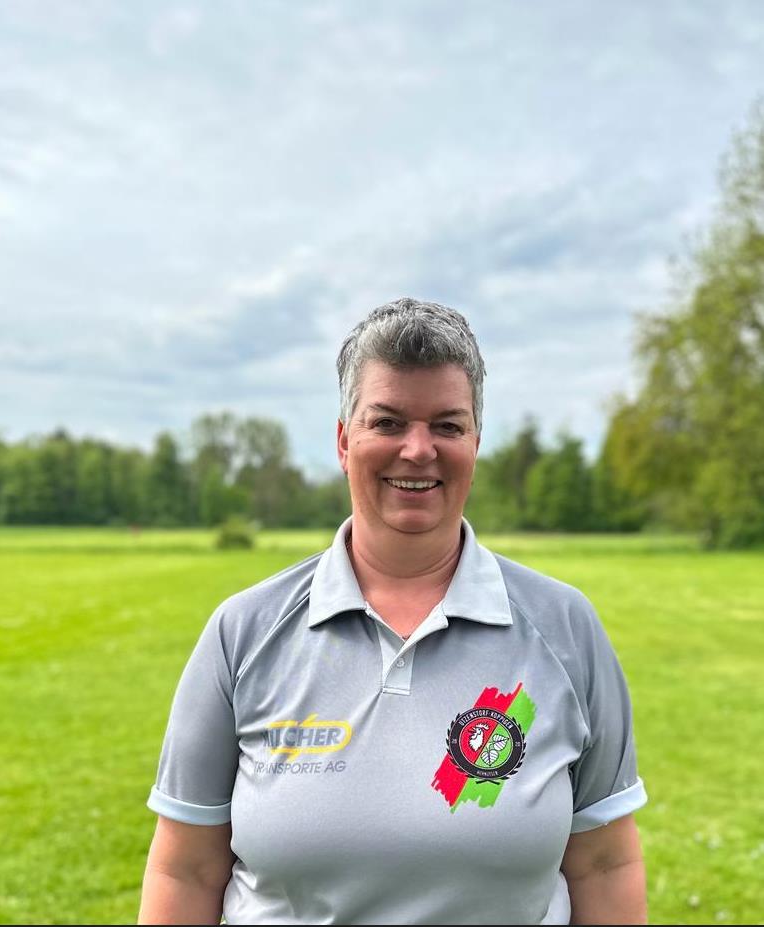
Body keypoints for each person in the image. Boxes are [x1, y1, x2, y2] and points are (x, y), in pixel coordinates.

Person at [138, 298, 648, 925]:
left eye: (447, 426)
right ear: (343, 441)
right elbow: (185, 869)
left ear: (475, 443)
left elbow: (604, 864)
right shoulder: (243, 633)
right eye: (387, 422)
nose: (418, 449)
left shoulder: (565, 629)